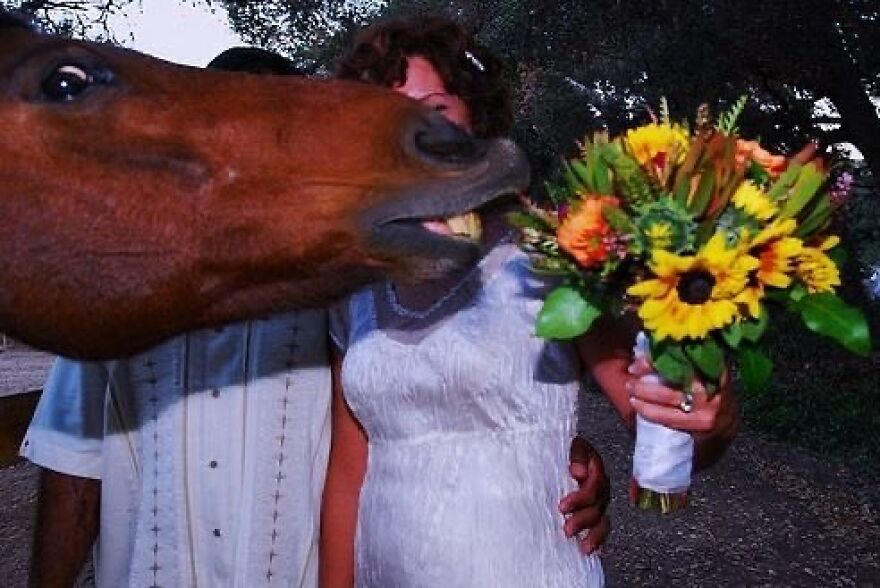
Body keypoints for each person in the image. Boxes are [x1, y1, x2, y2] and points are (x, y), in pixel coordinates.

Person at [21, 45, 609, 588]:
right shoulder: (120, 289)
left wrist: (549, 453)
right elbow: (72, 472)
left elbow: (411, 399)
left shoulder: (345, 280)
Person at [320, 16, 739, 587]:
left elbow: (663, 423)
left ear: (476, 119)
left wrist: (709, 415)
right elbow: (349, 474)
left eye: (435, 110)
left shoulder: (552, 257)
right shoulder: (358, 285)